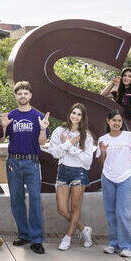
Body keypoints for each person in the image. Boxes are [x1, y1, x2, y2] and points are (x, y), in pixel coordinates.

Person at [0, 81, 49, 254]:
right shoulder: (11, 116)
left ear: (30, 95)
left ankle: (36, 239)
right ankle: (24, 234)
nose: (22, 96)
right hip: (13, 163)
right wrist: (4, 126)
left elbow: (42, 142)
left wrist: (43, 129)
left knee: (35, 199)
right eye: (19, 93)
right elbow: (0, 139)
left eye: (25, 93)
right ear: (16, 96)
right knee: (17, 200)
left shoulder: (37, 116)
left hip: (32, 162)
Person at [44, 103, 94, 250]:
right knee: (62, 210)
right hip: (62, 171)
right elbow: (54, 153)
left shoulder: (86, 136)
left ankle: (68, 237)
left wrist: (70, 147)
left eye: (79, 114)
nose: (75, 116)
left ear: (82, 117)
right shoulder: (59, 130)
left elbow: (87, 161)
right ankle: (84, 229)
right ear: (69, 113)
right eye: (74, 113)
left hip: (79, 172)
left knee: (75, 207)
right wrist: (68, 144)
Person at [97, 110, 131, 258]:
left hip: (125, 177)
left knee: (123, 213)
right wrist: (103, 151)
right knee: (110, 212)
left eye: (119, 121)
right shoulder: (103, 139)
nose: (117, 123)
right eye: (114, 120)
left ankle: (127, 246)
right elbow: (101, 162)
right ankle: (113, 244)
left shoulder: (129, 136)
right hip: (108, 177)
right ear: (108, 121)